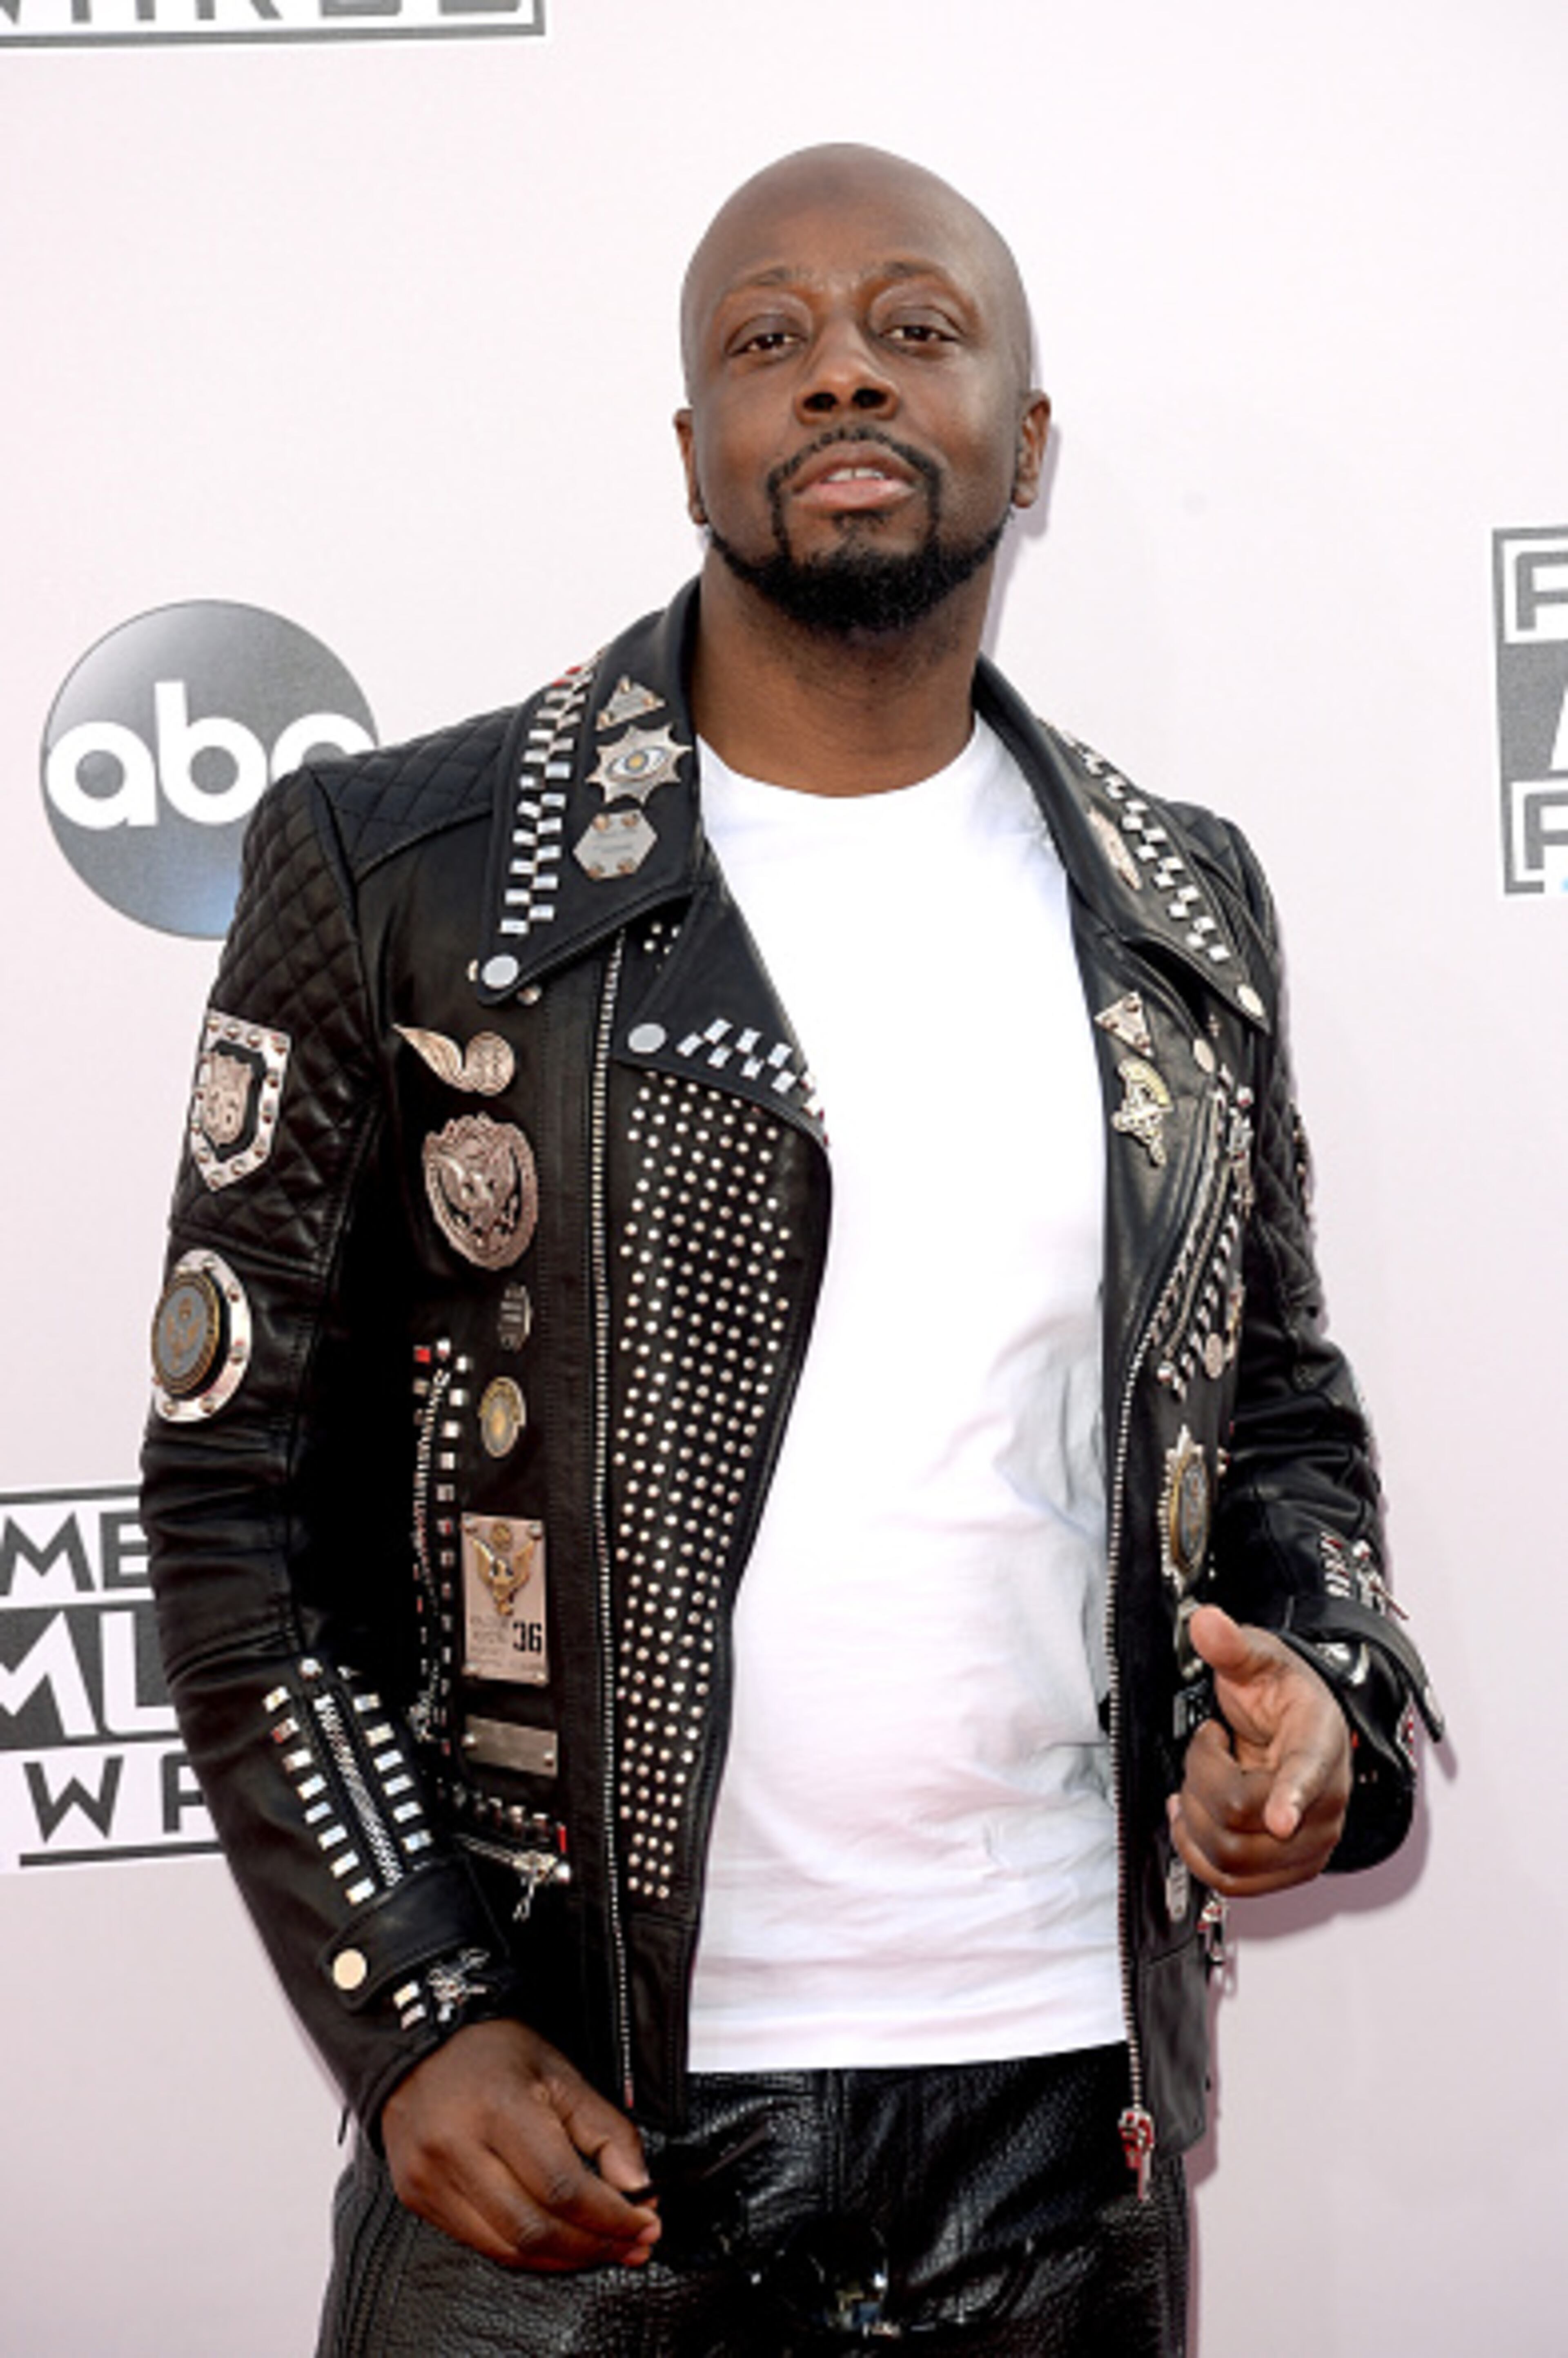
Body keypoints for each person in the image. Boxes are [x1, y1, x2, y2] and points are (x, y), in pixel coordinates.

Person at [142, 144, 1441, 2356]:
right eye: (769, 338)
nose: (842, 366)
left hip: (1066, 2130)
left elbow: (1282, 1401)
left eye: (919, 329)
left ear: (1025, 444)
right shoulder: (404, 867)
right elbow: (237, 1501)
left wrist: (1324, 1702)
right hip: (575, 2142)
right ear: (692, 451)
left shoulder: (1179, 901)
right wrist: (418, 2009)